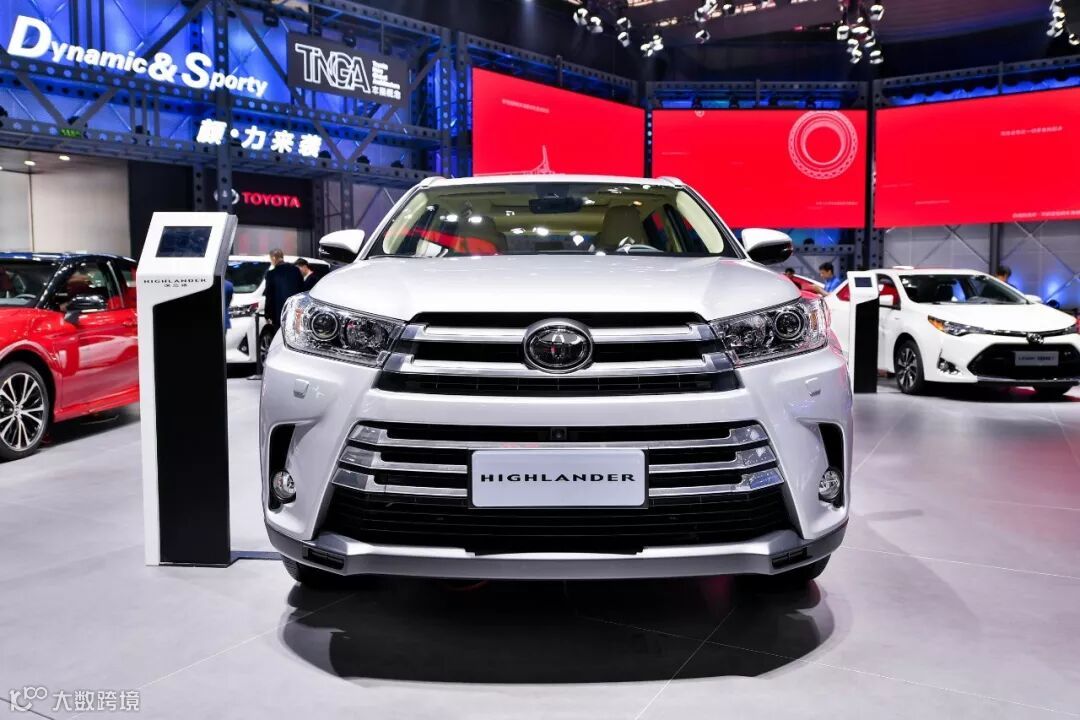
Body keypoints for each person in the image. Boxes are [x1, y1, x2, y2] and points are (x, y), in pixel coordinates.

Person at [263, 249, 304, 331]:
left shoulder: (271, 274)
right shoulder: (295, 270)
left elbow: (269, 295)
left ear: (274, 258)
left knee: (280, 335)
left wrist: (267, 314)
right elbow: (302, 289)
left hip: (279, 312)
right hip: (295, 310)